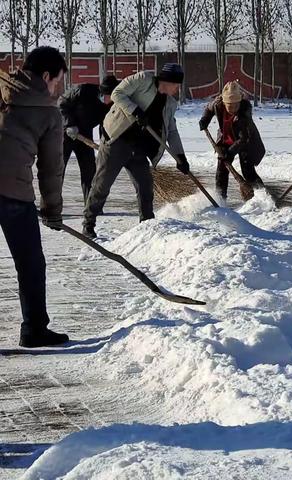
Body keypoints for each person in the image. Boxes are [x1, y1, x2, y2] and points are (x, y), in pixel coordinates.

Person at [0, 46, 69, 347]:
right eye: (56, 82)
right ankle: (34, 330)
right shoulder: (48, 112)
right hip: (13, 195)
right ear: (45, 76)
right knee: (30, 263)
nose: (56, 89)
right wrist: (52, 210)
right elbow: (51, 169)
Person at [82, 63, 190, 239]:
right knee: (102, 185)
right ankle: (88, 222)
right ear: (167, 81)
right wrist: (135, 111)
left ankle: (146, 226)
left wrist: (181, 157)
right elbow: (117, 93)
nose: (177, 90)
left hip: (140, 148)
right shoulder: (143, 79)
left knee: (145, 188)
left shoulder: (170, 103)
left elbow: (171, 131)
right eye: (176, 85)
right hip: (117, 140)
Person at [199, 80, 265, 199]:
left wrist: (229, 153)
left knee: (248, 171)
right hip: (226, 139)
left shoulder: (245, 112)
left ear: (240, 102)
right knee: (221, 170)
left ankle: (263, 196)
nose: (233, 108)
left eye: (235, 105)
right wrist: (205, 120)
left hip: (246, 142)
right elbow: (208, 110)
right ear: (224, 103)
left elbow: (243, 138)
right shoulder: (217, 105)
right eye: (229, 105)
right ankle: (220, 198)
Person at [59, 75, 120, 204]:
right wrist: (69, 124)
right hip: (65, 134)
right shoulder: (83, 90)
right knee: (58, 170)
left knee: (89, 170)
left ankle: (91, 205)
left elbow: (106, 127)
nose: (110, 98)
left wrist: (106, 145)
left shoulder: (109, 108)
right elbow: (62, 103)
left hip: (85, 136)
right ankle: (52, 207)